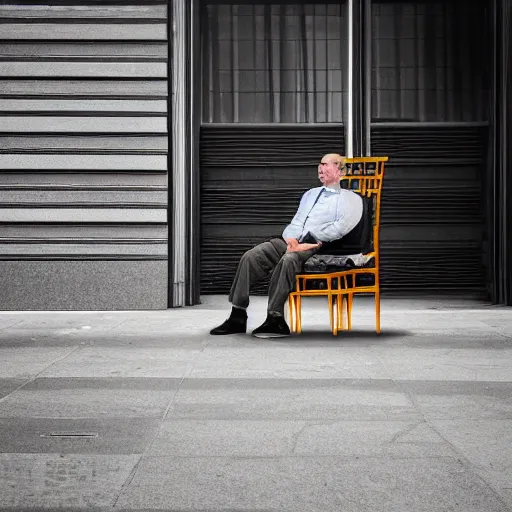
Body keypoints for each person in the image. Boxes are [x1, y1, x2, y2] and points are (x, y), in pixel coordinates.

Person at [210, 153, 363, 338]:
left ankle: (275, 319)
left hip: (318, 246)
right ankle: (238, 315)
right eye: (319, 164)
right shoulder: (310, 194)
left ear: (340, 171)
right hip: (292, 242)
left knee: (289, 260)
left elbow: (340, 229)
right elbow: (296, 221)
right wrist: (290, 238)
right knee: (251, 256)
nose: (320, 168)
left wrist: (308, 242)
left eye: (325, 164)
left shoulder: (351, 199)